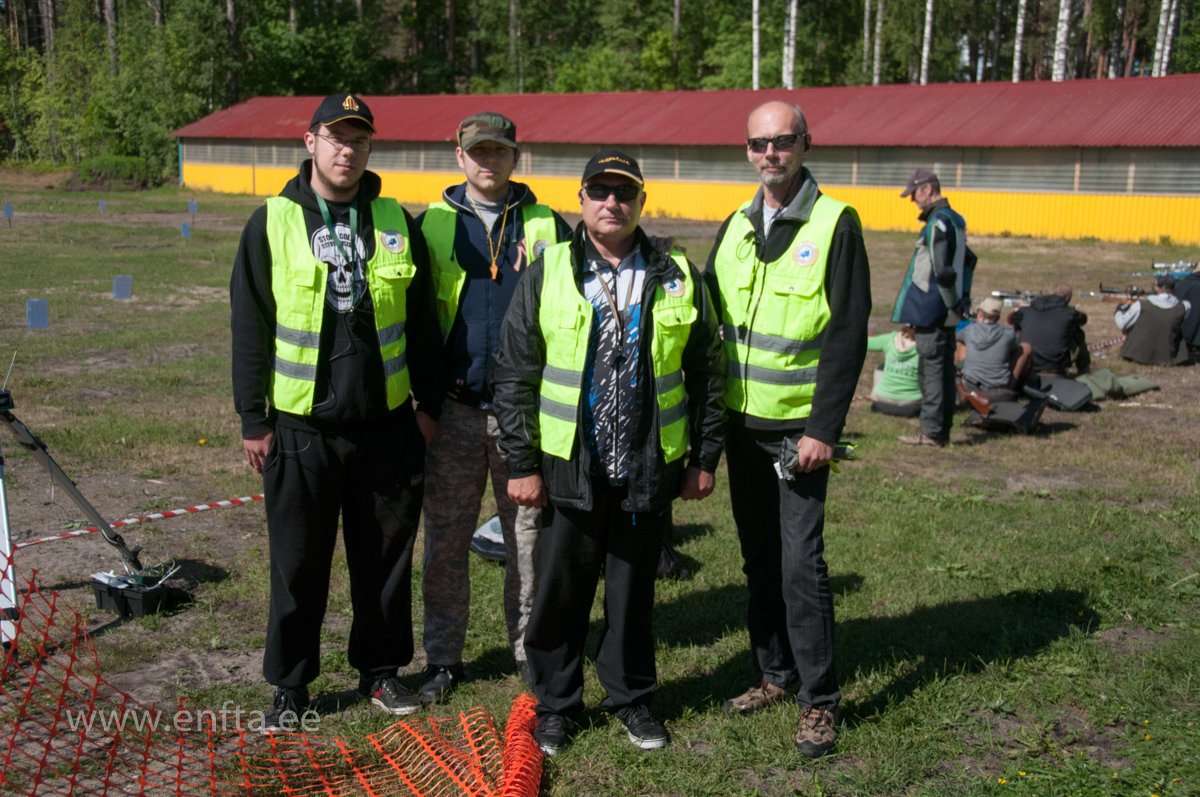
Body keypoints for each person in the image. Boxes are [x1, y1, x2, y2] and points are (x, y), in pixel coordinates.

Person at [493, 150, 725, 755]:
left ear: (641, 202)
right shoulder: (548, 272)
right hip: (572, 467)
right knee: (560, 594)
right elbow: (515, 372)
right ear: (581, 198)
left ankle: (632, 699)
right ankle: (556, 704)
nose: (611, 203)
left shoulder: (676, 272)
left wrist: (704, 458)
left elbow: (706, 370)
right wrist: (520, 464)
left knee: (632, 595)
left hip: (647, 467)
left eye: (624, 193)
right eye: (600, 191)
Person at [230, 94, 447, 732]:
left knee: (383, 561)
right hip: (301, 431)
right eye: (335, 137)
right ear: (310, 141)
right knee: (298, 563)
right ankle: (292, 686)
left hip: (385, 427)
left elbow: (424, 323)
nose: (345, 150)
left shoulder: (394, 220)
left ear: (370, 148)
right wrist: (253, 419)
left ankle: (380, 673)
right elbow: (250, 327)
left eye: (358, 139)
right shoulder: (270, 221)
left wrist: (427, 407)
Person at [705, 101, 870, 759]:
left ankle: (819, 702)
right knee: (759, 558)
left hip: (797, 431)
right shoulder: (736, 225)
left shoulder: (835, 224)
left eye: (782, 141)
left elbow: (847, 333)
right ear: (747, 151)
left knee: (802, 563)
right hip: (743, 426)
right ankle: (774, 673)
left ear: (804, 143)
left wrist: (823, 426)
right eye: (758, 143)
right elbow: (710, 321)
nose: (770, 153)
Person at [415, 113, 573, 703]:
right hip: (451, 410)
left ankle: (530, 652)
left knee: (526, 543)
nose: (489, 161)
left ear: (515, 156)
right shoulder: (428, 223)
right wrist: (421, 402)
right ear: (459, 156)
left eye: (499, 151)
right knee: (446, 544)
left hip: (522, 413)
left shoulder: (547, 225)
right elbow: (414, 320)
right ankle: (442, 658)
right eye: (477, 151)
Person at [892, 168, 968, 448]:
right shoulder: (955, 219)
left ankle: (931, 432)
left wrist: (951, 302)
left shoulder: (937, 221)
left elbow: (942, 270)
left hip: (932, 309)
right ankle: (940, 430)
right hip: (947, 309)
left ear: (927, 188)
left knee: (931, 372)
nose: (913, 200)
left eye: (914, 194)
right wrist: (958, 305)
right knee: (943, 371)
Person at [954, 297, 1033, 402]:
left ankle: (953, 380)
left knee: (960, 343)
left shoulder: (969, 331)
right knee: (1024, 348)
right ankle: (1027, 384)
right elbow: (1013, 351)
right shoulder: (1008, 334)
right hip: (998, 389)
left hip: (971, 387)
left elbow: (955, 338)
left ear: (980, 314)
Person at [1011, 284, 1089, 375]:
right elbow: (1083, 319)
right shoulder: (1069, 314)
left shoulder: (1026, 311)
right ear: (1067, 300)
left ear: (1051, 293)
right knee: (1078, 333)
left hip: (1025, 360)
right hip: (1054, 364)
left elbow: (1012, 319)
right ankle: (1084, 371)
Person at [1116, 274, 1193, 365]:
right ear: (1173, 289)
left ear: (1157, 288)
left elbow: (1122, 323)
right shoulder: (1184, 306)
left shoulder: (1141, 305)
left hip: (1138, 356)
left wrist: (1119, 310)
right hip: (1169, 357)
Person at [866, 325, 921, 416]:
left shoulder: (890, 339)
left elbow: (865, 343)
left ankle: (878, 393)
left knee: (881, 367)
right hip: (912, 400)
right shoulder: (928, 345)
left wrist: (870, 338)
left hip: (882, 398)